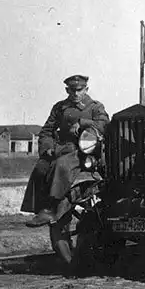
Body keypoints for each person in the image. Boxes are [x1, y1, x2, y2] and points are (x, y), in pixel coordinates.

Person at [22, 75, 110, 227]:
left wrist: (82, 123)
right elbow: (47, 130)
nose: (76, 94)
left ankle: (52, 207)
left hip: (84, 150)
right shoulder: (60, 107)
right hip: (61, 148)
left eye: (79, 90)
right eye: (72, 90)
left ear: (86, 89)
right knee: (41, 167)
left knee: (62, 166)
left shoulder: (95, 107)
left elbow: (104, 125)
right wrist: (47, 147)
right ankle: (40, 209)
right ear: (67, 90)